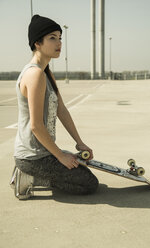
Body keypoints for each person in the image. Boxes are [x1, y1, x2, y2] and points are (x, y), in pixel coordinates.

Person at [13, 14, 99, 197]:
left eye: (60, 38)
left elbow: (61, 109)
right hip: (32, 157)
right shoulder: (34, 75)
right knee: (89, 184)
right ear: (37, 42)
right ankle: (29, 177)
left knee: (82, 169)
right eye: (52, 38)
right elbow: (36, 126)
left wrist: (80, 142)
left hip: (44, 152)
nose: (59, 43)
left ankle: (44, 170)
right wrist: (60, 156)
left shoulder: (46, 73)